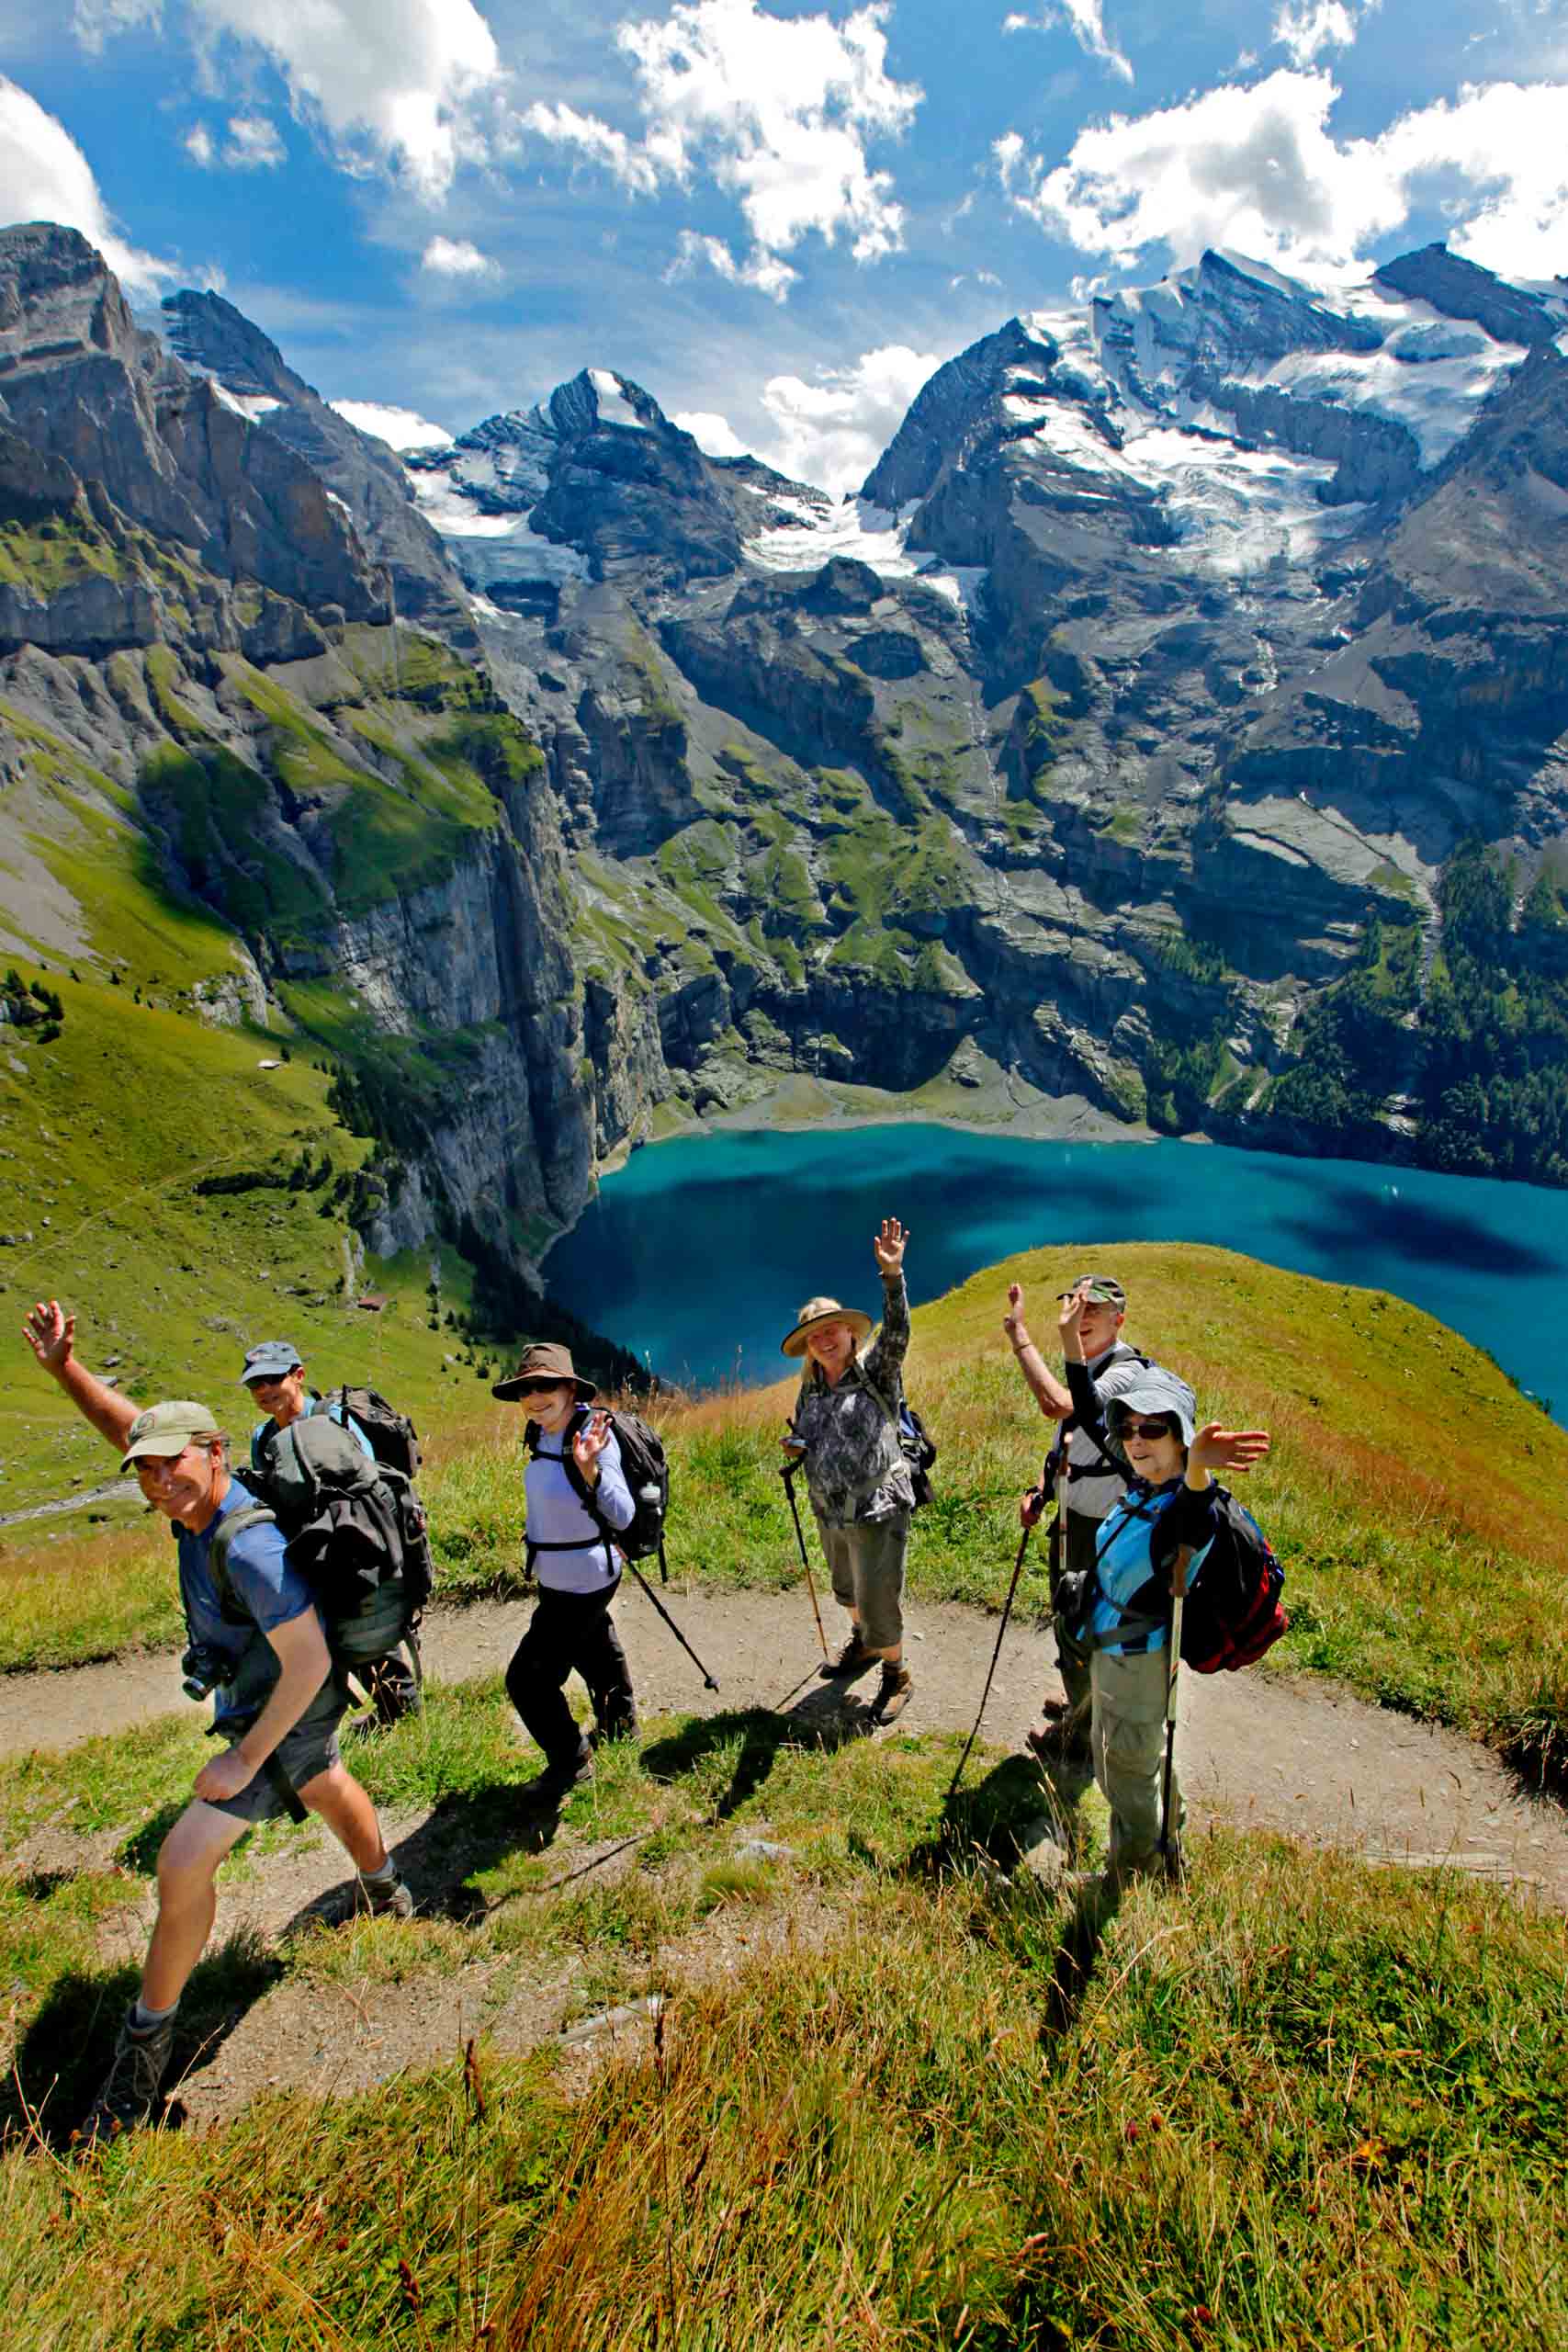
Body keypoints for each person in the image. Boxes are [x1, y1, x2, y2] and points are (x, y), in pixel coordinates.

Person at [21, 1299, 412, 2141]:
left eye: (173, 1464)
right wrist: (64, 1372)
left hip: (282, 1704)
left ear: (215, 1452)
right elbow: (132, 1428)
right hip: (277, 1706)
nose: (158, 1480)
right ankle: (388, 1891)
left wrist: (241, 1762)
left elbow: (308, 1660)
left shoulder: (247, 1545)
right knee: (325, 1778)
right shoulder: (192, 1502)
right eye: (146, 1470)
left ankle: (137, 2070)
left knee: (181, 1860)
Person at [1051, 1283, 1269, 1880]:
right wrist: (1068, 1342)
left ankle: (1131, 1872)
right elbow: (1090, 1412)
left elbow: (1194, 1517)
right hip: (1121, 1655)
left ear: (1181, 1436)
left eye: (1155, 1430)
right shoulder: (1141, 1481)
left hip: (1135, 1664)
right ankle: (1167, 1848)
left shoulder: (1181, 1505)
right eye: (1131, 1429)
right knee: (1142, 1761)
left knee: (1122, 1772)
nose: (1136, 1439)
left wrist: (1198, 1468)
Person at [1003, 1272, 1147, 1761]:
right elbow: (1069, 1444)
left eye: (1095, 1312)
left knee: (1088, 1626)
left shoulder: (1126, 1373)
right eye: (1076, 1307)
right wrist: (1042, 1492)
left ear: (1119, 1320)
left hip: (1105, 1530)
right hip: (1070, 1518)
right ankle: (1078, 1703)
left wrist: (1020, 1338)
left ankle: (1083, 1739)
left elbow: (1059, 1406)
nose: (1083, 1319)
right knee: (1070, 1617)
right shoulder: (1083, 1364)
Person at [241, 1340, 420, 1725]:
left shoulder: (334, 1417)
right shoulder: (261, 1438)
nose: (263, 1391)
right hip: (307, 1549)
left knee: (367, 1628)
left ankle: (402, 1711)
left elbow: (369, 1475)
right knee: (330, 1633)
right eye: (255, 1385)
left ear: (298, 1376)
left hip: (355, 1541)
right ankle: (378, 1712)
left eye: (272, 1379)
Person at [781, 1216, 915, 1726]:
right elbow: (812, 1436)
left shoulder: (878, 1368)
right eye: (815, 1335)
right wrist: (798, 1447)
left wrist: (892, 1275)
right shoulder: (811, 1387)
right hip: (830, 1511)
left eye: (832, 1328)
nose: (824, 1339)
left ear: (850, 1332)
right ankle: (863, 1647)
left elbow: (899, 1330)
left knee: (878, 1598)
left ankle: (896, 1672)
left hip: (878, 1508)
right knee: (847, 1590)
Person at [491, 1341, 637, 1801]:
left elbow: (624, 1514)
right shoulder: (541, 1434)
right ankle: (620, 1725)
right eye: (525, 1388)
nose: (534, 1397)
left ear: (571, 1388)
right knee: (592, 1641)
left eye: (545, 1385)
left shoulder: (594, 1435)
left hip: (582, 1579)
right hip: (567, 1574)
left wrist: (591, 1468)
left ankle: (571, 1761)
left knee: (527, 1679)